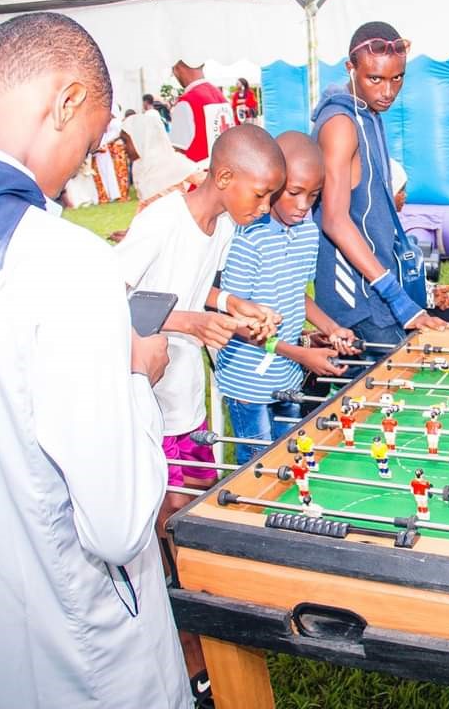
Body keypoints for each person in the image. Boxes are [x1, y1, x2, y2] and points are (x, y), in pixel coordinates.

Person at [0, 12, 191, 708]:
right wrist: (135, 372)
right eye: (89, 146)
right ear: (65, 101)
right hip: (71, 657)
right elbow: (119, 522)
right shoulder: (62, 263)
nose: (80, 171)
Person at [115, 123, 284, 696]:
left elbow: (195, 287)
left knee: (189, 513)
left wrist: (234, 304)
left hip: (187, 399)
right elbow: (111, 297)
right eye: (260, 194)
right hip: (148, 401)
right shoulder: (163, 220)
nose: (265, 208)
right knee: (169, 524)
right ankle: (186, 649)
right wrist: (190, 322)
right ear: (225, 176)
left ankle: (205, 626)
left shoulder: (222, 225)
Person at [313, 21, 449, 371]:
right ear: (351, 68)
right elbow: (334, 220)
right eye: (375, 78)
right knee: (396, 383)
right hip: (356, 299)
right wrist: (396, 297)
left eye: (397, 78)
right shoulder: (341, 124)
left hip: (378, 288)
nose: (388, 91)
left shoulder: (369, 113)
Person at [216, 131, 360, 463]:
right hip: (248, 379)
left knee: (291, 456)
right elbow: (236, 320)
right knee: (259, 463)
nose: (303, 205)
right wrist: (300, 354)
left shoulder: (308, 232)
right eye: (294, 193)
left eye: (314, 195)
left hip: (288, 373)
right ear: (274, 183)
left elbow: (296, 293)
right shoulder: (248, 238)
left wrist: (332, 328)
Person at [389, 158, 449, 327]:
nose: (405, 195)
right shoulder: (375, 232)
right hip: (389, 313)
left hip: (405, 303)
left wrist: (431, 295)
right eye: (400, 190)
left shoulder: (392, 225)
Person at [121, 110, 205, 213]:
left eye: (125, 141)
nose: (123, 147)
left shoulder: (171, 161)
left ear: (140, 139)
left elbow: (206, 181)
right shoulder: (140, 166)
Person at [169, 59, 235, 165]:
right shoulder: (222, 97)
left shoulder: (186, 102)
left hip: (199, 172)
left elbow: (177, 153)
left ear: (179, 67)